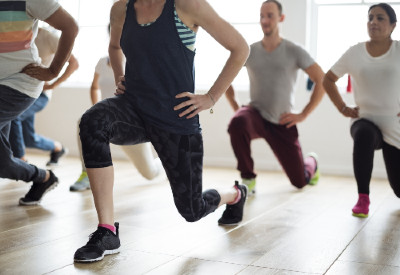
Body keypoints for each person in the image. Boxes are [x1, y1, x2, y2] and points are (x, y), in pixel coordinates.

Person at [73, 0, 249, 263]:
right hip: (133, 108)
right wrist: (121, 76)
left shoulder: (188, 6)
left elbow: (240, 48)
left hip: (176, 117)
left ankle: (235, 194)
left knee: (192, 210)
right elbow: (114, 45)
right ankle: (107, 230)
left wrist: (211, 98)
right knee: (92, 121)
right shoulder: (121, 8)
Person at [225, 0, 325, 195]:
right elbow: (226, 79)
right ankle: (248, 177)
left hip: (282, 121)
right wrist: (237, 107)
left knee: (300, 182)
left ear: (281, 18)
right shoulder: (249, 51)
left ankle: (311, 162)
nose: (265, 20)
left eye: (270, 15)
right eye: (262, 16)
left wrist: (303, 114)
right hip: (255, 114)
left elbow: (321, 80)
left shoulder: (294, 50)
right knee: (237, 122)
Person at [323, 3, 400, 218]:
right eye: (370, 18)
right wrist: (342, 107)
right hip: (365, 121)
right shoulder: (355, 52)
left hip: (395, 126)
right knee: (364, 134)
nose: (373, 22)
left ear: (393, 25)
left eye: (380, 18)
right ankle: (363, 198)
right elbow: (328, 79)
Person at [0, 0, 78, 205]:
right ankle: (43, 178)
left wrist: (52, 71)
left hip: (18, 84)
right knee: (2, 164)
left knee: (26, 136)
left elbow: (70, 26)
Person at [70, 53, 164, 191]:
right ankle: (87, 174)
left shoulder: (135, 62)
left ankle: (167, 163)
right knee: (83, 121)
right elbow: (94, 87)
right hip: (107, 119)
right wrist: (95, 110)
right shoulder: (102, 62)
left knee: (150, 173)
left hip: (129, 124)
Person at [9, 27, 79, 166]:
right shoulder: (16, 35)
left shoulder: (48, 37)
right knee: (29, 139)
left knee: (14, 116)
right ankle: (57, 148)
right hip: (22, 93)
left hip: (40, 95)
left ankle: (20, 162)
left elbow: (74, 63)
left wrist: (52, 85)